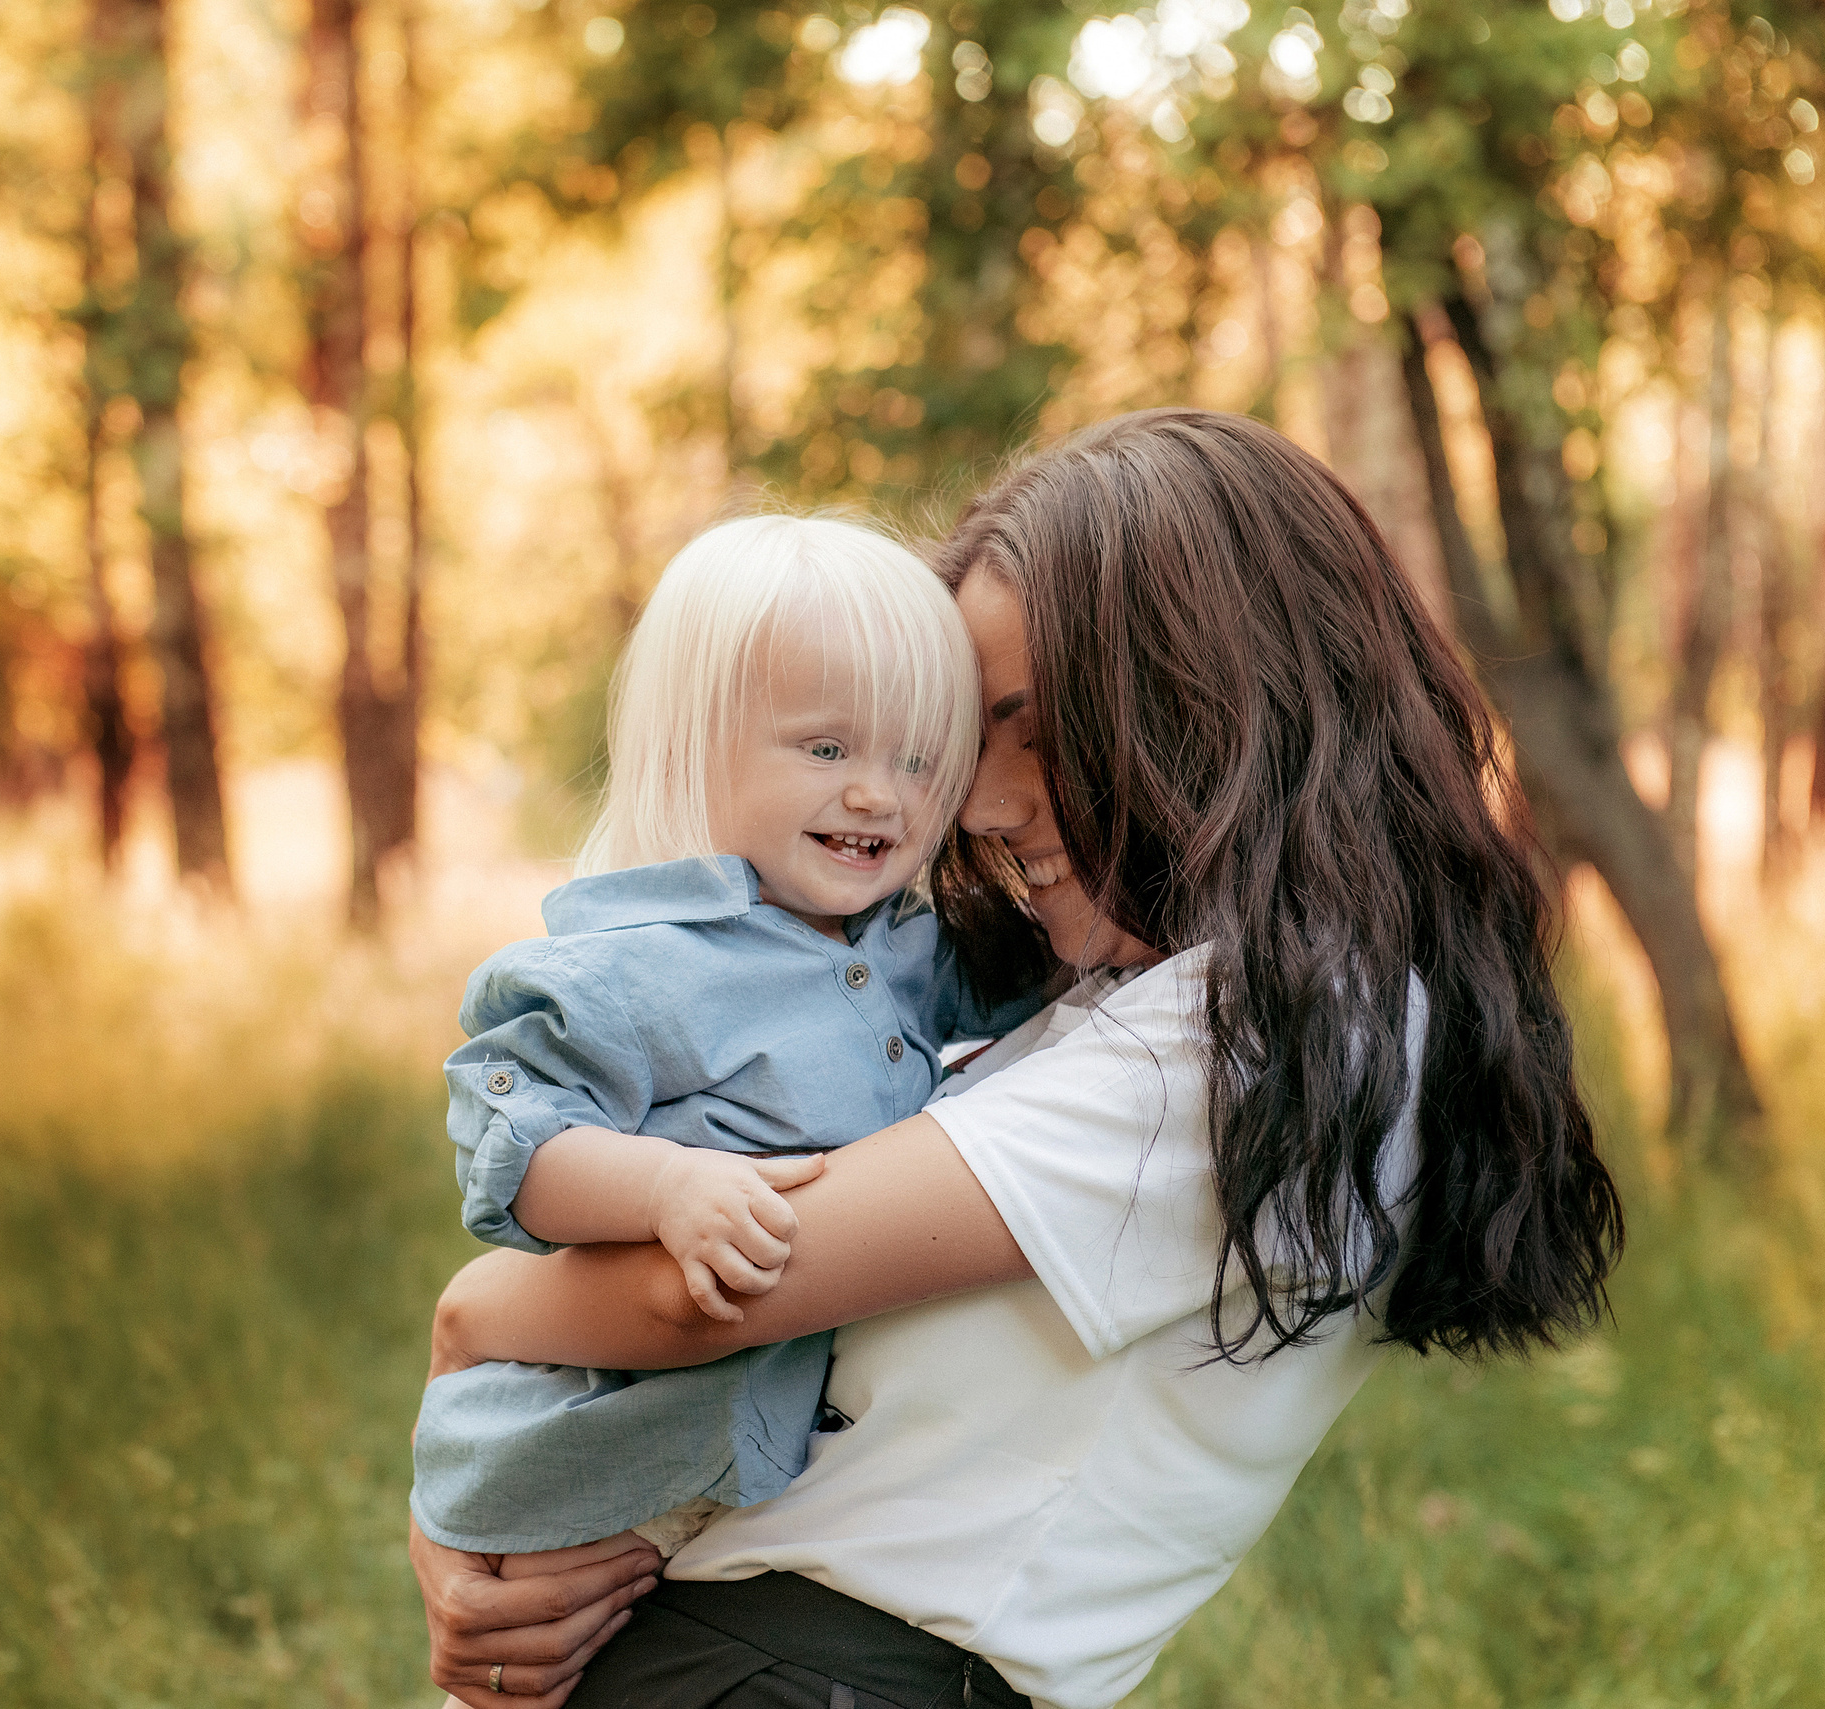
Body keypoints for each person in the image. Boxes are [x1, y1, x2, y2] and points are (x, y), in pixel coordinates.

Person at [408, 409, 1624, 1709]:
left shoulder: (1262, 1035)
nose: (976, 805)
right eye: (969, 744)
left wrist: (467, 1322)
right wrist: (475, 1515)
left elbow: (717, 1288)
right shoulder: (1133, 1000)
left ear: (1203, 701)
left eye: (1030, 727)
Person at [418, 514, 1051, 1658]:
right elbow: (518, 1147)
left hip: (739, 1480)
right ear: (694, 740)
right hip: (585, 1445)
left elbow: (1043, 991)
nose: (878, 794)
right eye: (826, 748)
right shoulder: (628, 965)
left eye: (918, 761)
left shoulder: (906, 946)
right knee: (529, 1650)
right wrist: (666, 1187)